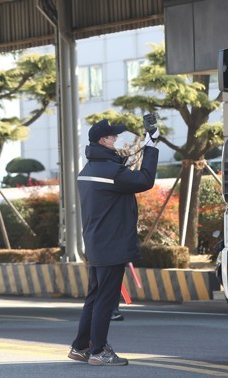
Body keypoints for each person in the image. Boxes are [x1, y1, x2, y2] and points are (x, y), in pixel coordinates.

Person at [68, 118, 159, 366]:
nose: (117, 139)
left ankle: (80, 347)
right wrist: (151, 146)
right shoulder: (110, 173)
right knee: (106, 300)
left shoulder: (89, 171)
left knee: (95, 297)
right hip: (111, 246)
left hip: (97, 245)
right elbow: (145, 180)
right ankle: (98, 350)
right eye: (113, 137)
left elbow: (126, 176)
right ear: (103, 141)